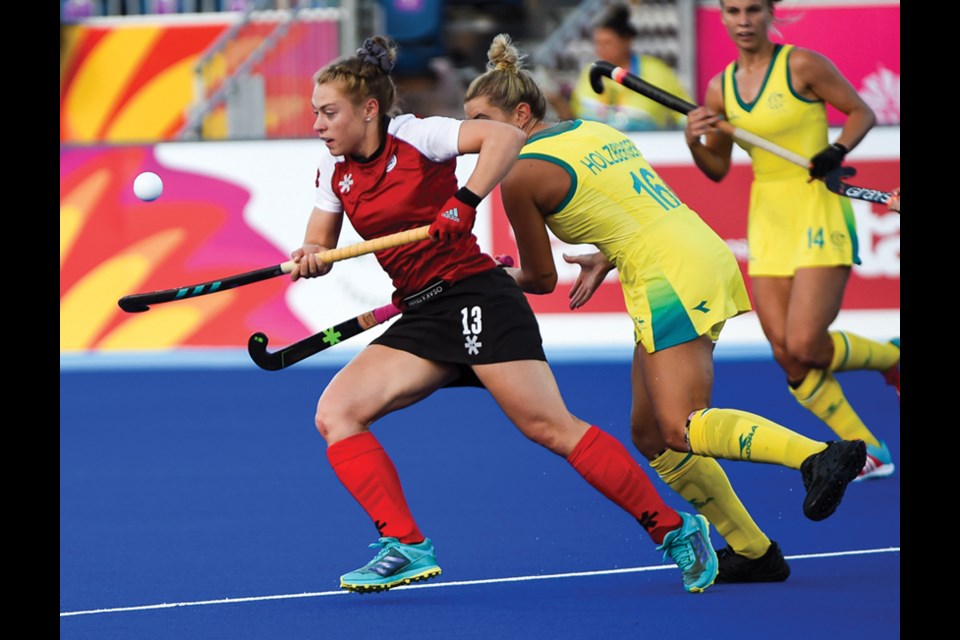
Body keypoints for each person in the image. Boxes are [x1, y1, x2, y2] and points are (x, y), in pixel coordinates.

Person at [292, 35, 720, 595]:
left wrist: (463, 200)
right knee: (337, 412)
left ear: (369, 109)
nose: (319, 125)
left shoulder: (419, 136)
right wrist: (309, 257)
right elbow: (319, 242)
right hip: (423, 310)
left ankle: (676, 528)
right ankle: (405, 545)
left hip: (477, 297)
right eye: (316, 114)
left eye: (330, 113)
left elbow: (506, 136)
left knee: (550, 428)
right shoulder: (333, 172)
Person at [463, 33, 868, 582]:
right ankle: (753, 551)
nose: (475, 138)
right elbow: (626, 207)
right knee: (650, 432)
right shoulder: (592, 129)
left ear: (521, 112)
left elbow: (538, 277)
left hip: (666, 275)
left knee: (681, 425)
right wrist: (606, 255)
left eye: (484, 122)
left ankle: (817, 457)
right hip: (692, 252)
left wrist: (485, 273)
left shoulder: (518, 173)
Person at [683, 0, 900, 480]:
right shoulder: (719, 90)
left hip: (818, 206)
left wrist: (836, 148)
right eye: (733, 10)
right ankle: (871, 451)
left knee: (805, 342)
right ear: (721, 15)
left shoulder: (801, 65)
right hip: (768, 218)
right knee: (787, 352)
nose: (743, 20)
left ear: (769, 13)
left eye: (753, 9)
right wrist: (693, 141)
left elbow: (860, 112)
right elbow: (716, 169)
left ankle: (893, 358)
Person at [551, 3, 690, 131]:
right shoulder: (590, 71)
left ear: (627, 41)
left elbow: (686, 118)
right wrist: (557, 102)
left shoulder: (657, 72)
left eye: (608, 43)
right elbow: (574, 118)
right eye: (598, 43)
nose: (601, 49)